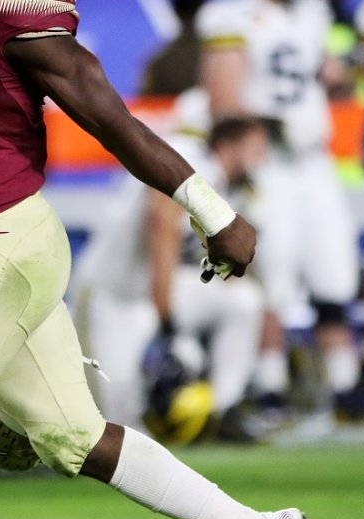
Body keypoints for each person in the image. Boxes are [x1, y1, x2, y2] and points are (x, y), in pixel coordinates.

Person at [0, 1, 311, 519]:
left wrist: (213, 211)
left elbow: (106, 114)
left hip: (1, 235)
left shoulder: (0, 9)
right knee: (73, 434)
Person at [197, 0, 363, 415]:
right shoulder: (231, 14)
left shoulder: (311, 12)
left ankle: (345, 385)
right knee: (274, 271)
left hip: (315, 161)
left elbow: (322, 72)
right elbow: (223, 103)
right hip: (266, 162)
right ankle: (270, 386)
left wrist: (340, 74)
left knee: (334, 270)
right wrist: (274, 124)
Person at [75, 103, 269, 441]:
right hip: (113, 296)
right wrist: (172, 329)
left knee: (244, 301)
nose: (260, 159)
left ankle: (220, 410)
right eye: (253, 149)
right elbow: (160, 226)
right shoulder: (195, 161)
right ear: (226, 145)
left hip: (158, 288)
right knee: (119, 424)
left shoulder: (232, 185)